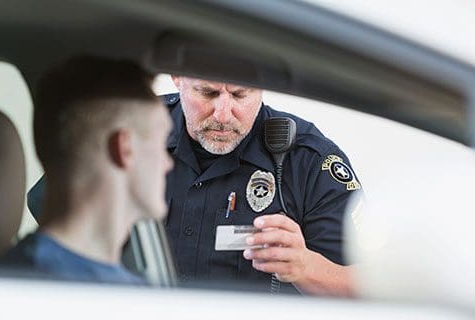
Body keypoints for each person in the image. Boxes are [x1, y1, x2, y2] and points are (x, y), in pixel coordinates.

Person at [27, 76, 360, 295]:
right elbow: (52, 213)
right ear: (178, 77)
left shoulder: (308, 159)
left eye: (240, 94)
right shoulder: (132, 131)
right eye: (208, 92)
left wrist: (303, 265)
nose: (223, 113)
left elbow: (364, 284)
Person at [0, 56, 173, 284]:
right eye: (160, 144)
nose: (167, 163)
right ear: (125, 148)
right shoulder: (42, 289)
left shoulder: (17, 278)